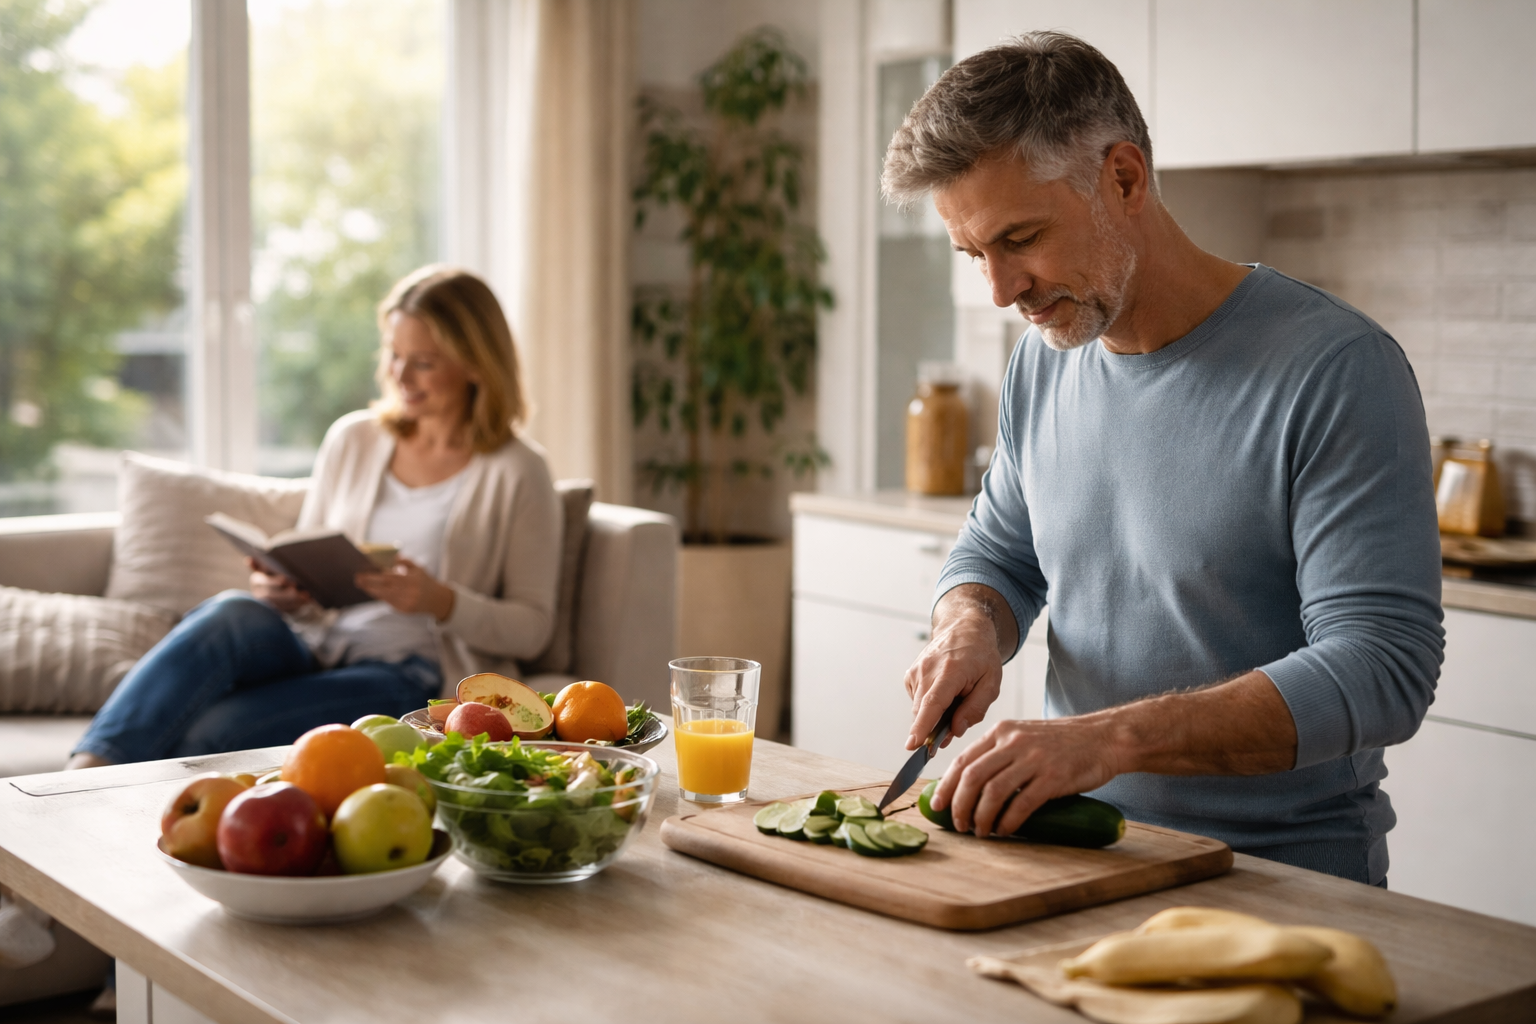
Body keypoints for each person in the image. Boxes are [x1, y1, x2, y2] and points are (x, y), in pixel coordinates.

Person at [882, 33, 1443, 885]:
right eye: (973, 254)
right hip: (1067, 862)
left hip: (1277, 884)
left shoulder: (1334, 369)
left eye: (1021, 238)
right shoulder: (1045, 356)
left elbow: (1383, 666)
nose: (1000, 291)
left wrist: (1107, 738)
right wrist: (969, 627)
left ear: (1124, 178)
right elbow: (1000, 553)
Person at [65, 265, 562, 768]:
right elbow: (311, 566)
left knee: (215, 729)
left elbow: (533, 627)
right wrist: (288, 592)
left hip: (410, 675)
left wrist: (442, 601)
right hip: (316, 645)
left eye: (424, 362)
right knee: (230, 612)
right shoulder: (354, 439)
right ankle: (76, 777)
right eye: (393, 354)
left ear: (476, 364)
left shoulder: (519, 471)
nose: (400, 375)